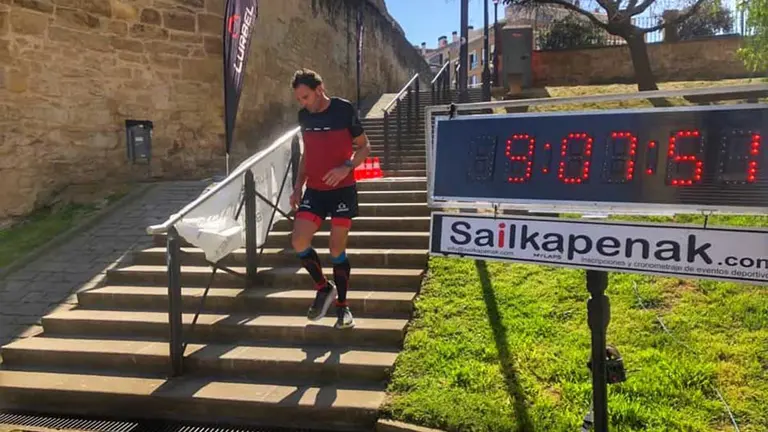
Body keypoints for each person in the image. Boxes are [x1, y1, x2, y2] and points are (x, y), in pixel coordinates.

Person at [289, 68, 371, 330]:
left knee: (336, 249)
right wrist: (297, 185)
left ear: (319, 89)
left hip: (342, 189)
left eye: (306, 97)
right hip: (314, 189)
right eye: (299, 99)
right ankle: (324, 288)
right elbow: (307, 154)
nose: (303, 103)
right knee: (298, 240)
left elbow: (365, 146)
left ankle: (343, 309)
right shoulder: (304, 116)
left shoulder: (343, 110)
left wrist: (346, 166)